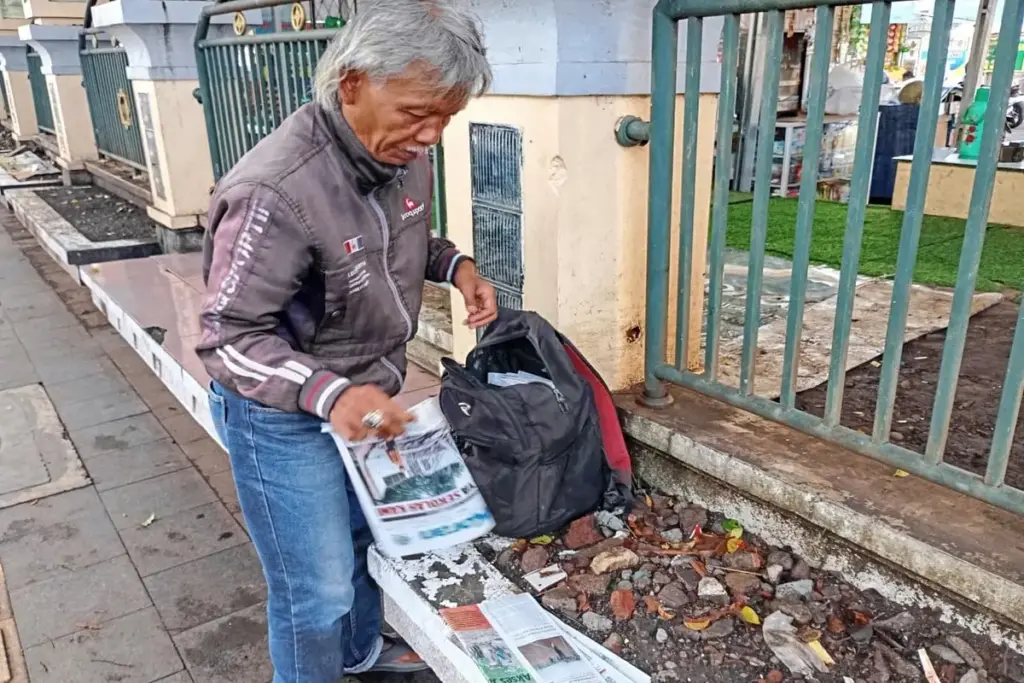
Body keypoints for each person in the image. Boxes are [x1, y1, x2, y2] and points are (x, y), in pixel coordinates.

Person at [195, 1, 497, 680]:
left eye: (445, 117)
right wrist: (329, 394)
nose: (432, 136)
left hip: (366, 395)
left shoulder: (399, 155)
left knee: (366, 541)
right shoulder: (275, 188)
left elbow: (405, 237)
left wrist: (458, 268)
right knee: (316, 590)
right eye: (419, 113)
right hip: (282, 415)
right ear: (353, 82)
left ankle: (361, 655)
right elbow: (225, 336)